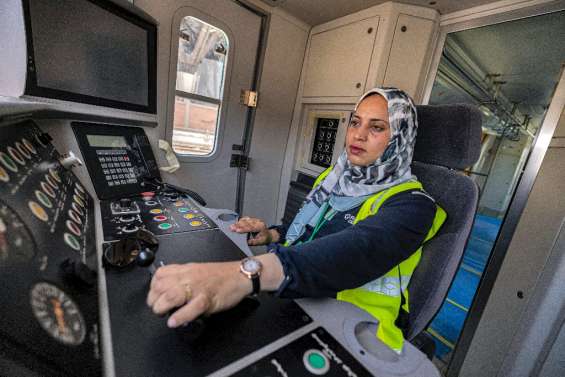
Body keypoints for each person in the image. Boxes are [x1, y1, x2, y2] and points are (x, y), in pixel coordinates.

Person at [146, 87, 446, 352]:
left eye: (377, 127)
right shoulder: (335, 177)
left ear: (400, 138)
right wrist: (272, 235)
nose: (358, 134)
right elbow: (314, 233)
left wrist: (245, 274)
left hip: (354, 327)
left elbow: (358, 249)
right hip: (300, 294)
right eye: (355, 122)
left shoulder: (414, 206)